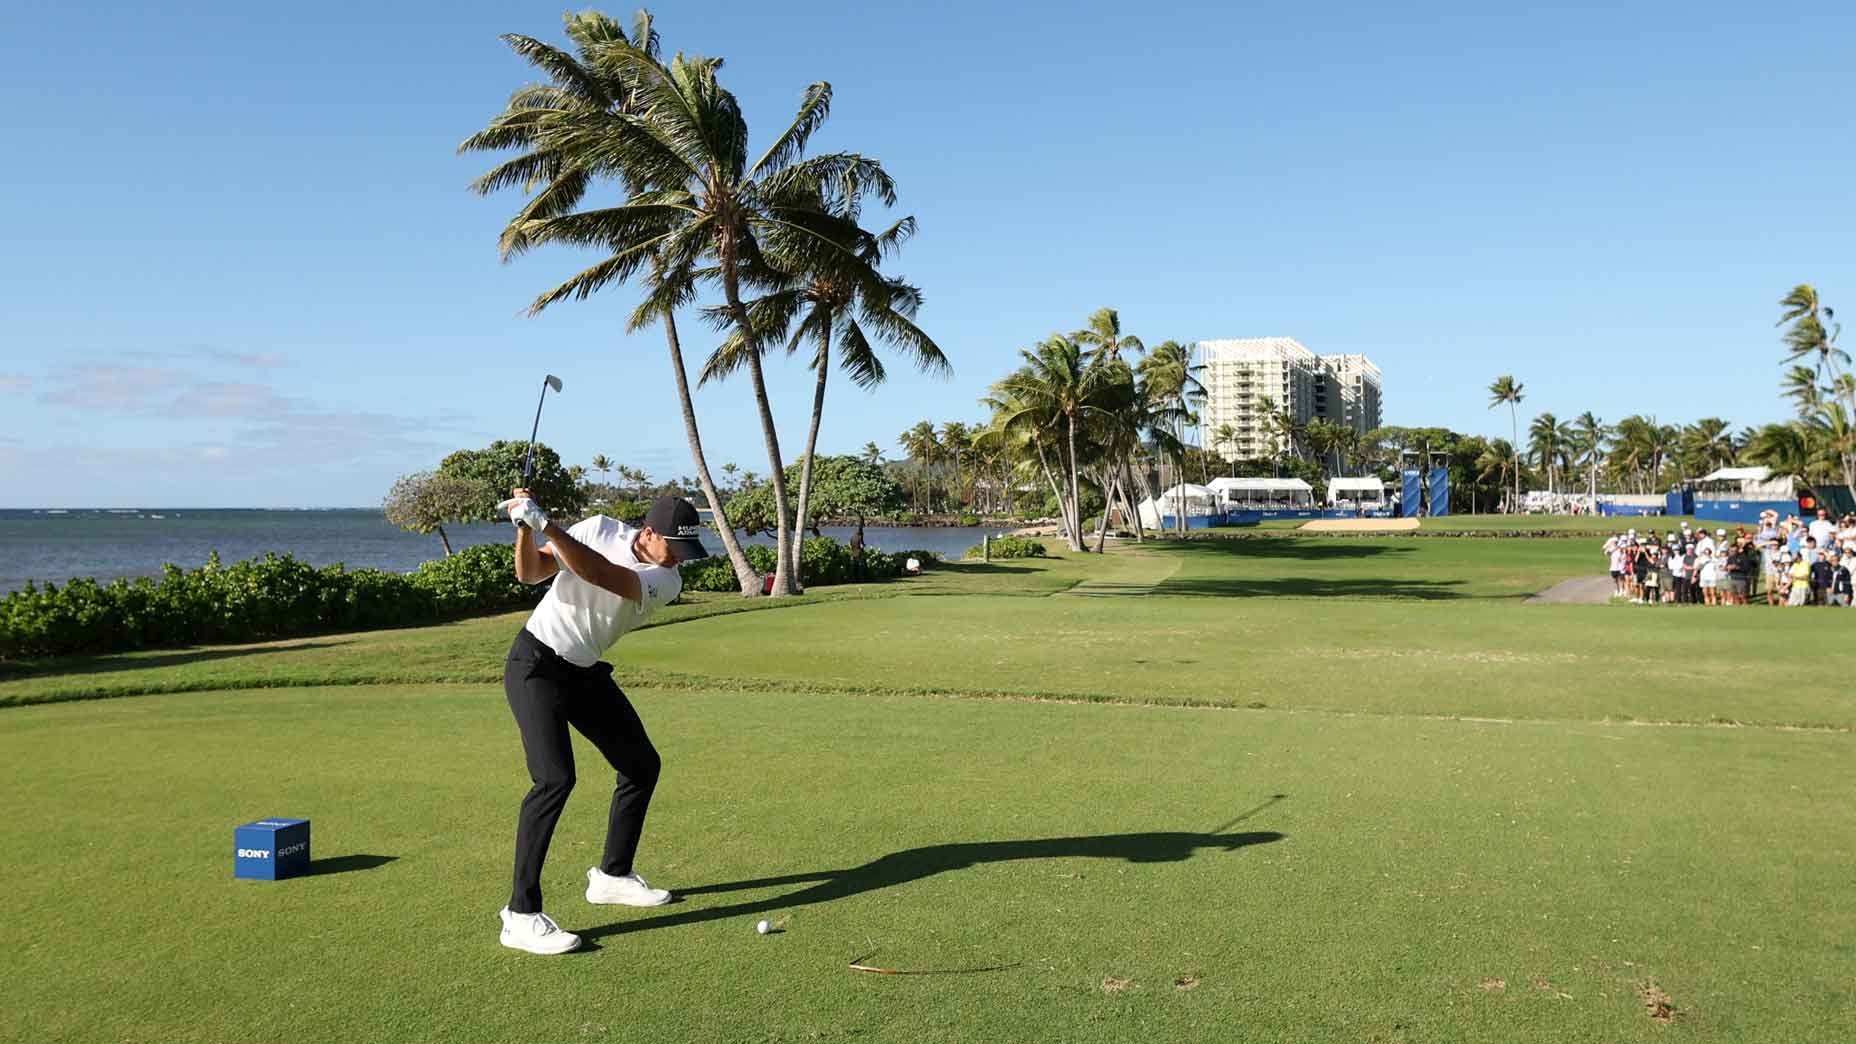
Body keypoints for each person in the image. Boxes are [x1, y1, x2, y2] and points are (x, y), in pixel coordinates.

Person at [492, 490, 709, 955]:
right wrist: (525, 529)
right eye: (673, 547)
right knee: (554, 779)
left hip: (582, 671)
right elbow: (531, 573)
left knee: (640, 764)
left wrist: (546, 525)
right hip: (535, 664)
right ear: (647, 533)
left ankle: (612, 877)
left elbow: (605, 575)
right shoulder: (598, 529)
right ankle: (520, 915)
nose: (678, 560)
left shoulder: (665, 582)